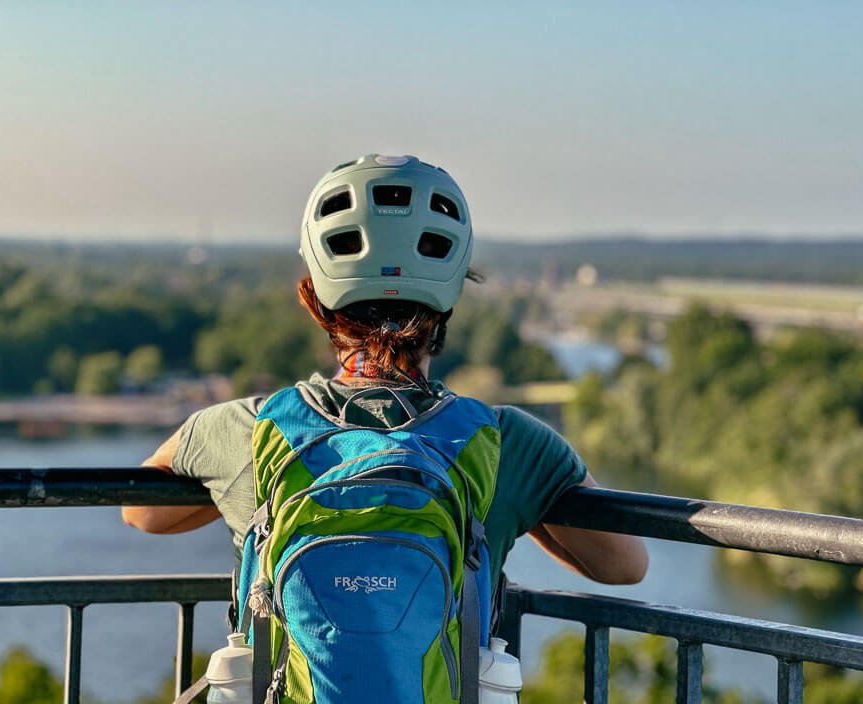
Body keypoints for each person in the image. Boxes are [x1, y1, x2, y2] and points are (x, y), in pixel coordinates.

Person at [122, 152, 647, 594]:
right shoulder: (505, 443)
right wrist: (510, 502)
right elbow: (625, 565)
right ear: (450, 298)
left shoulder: (252, 430)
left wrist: (259, 493)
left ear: (318, 301)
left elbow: (140, 513)